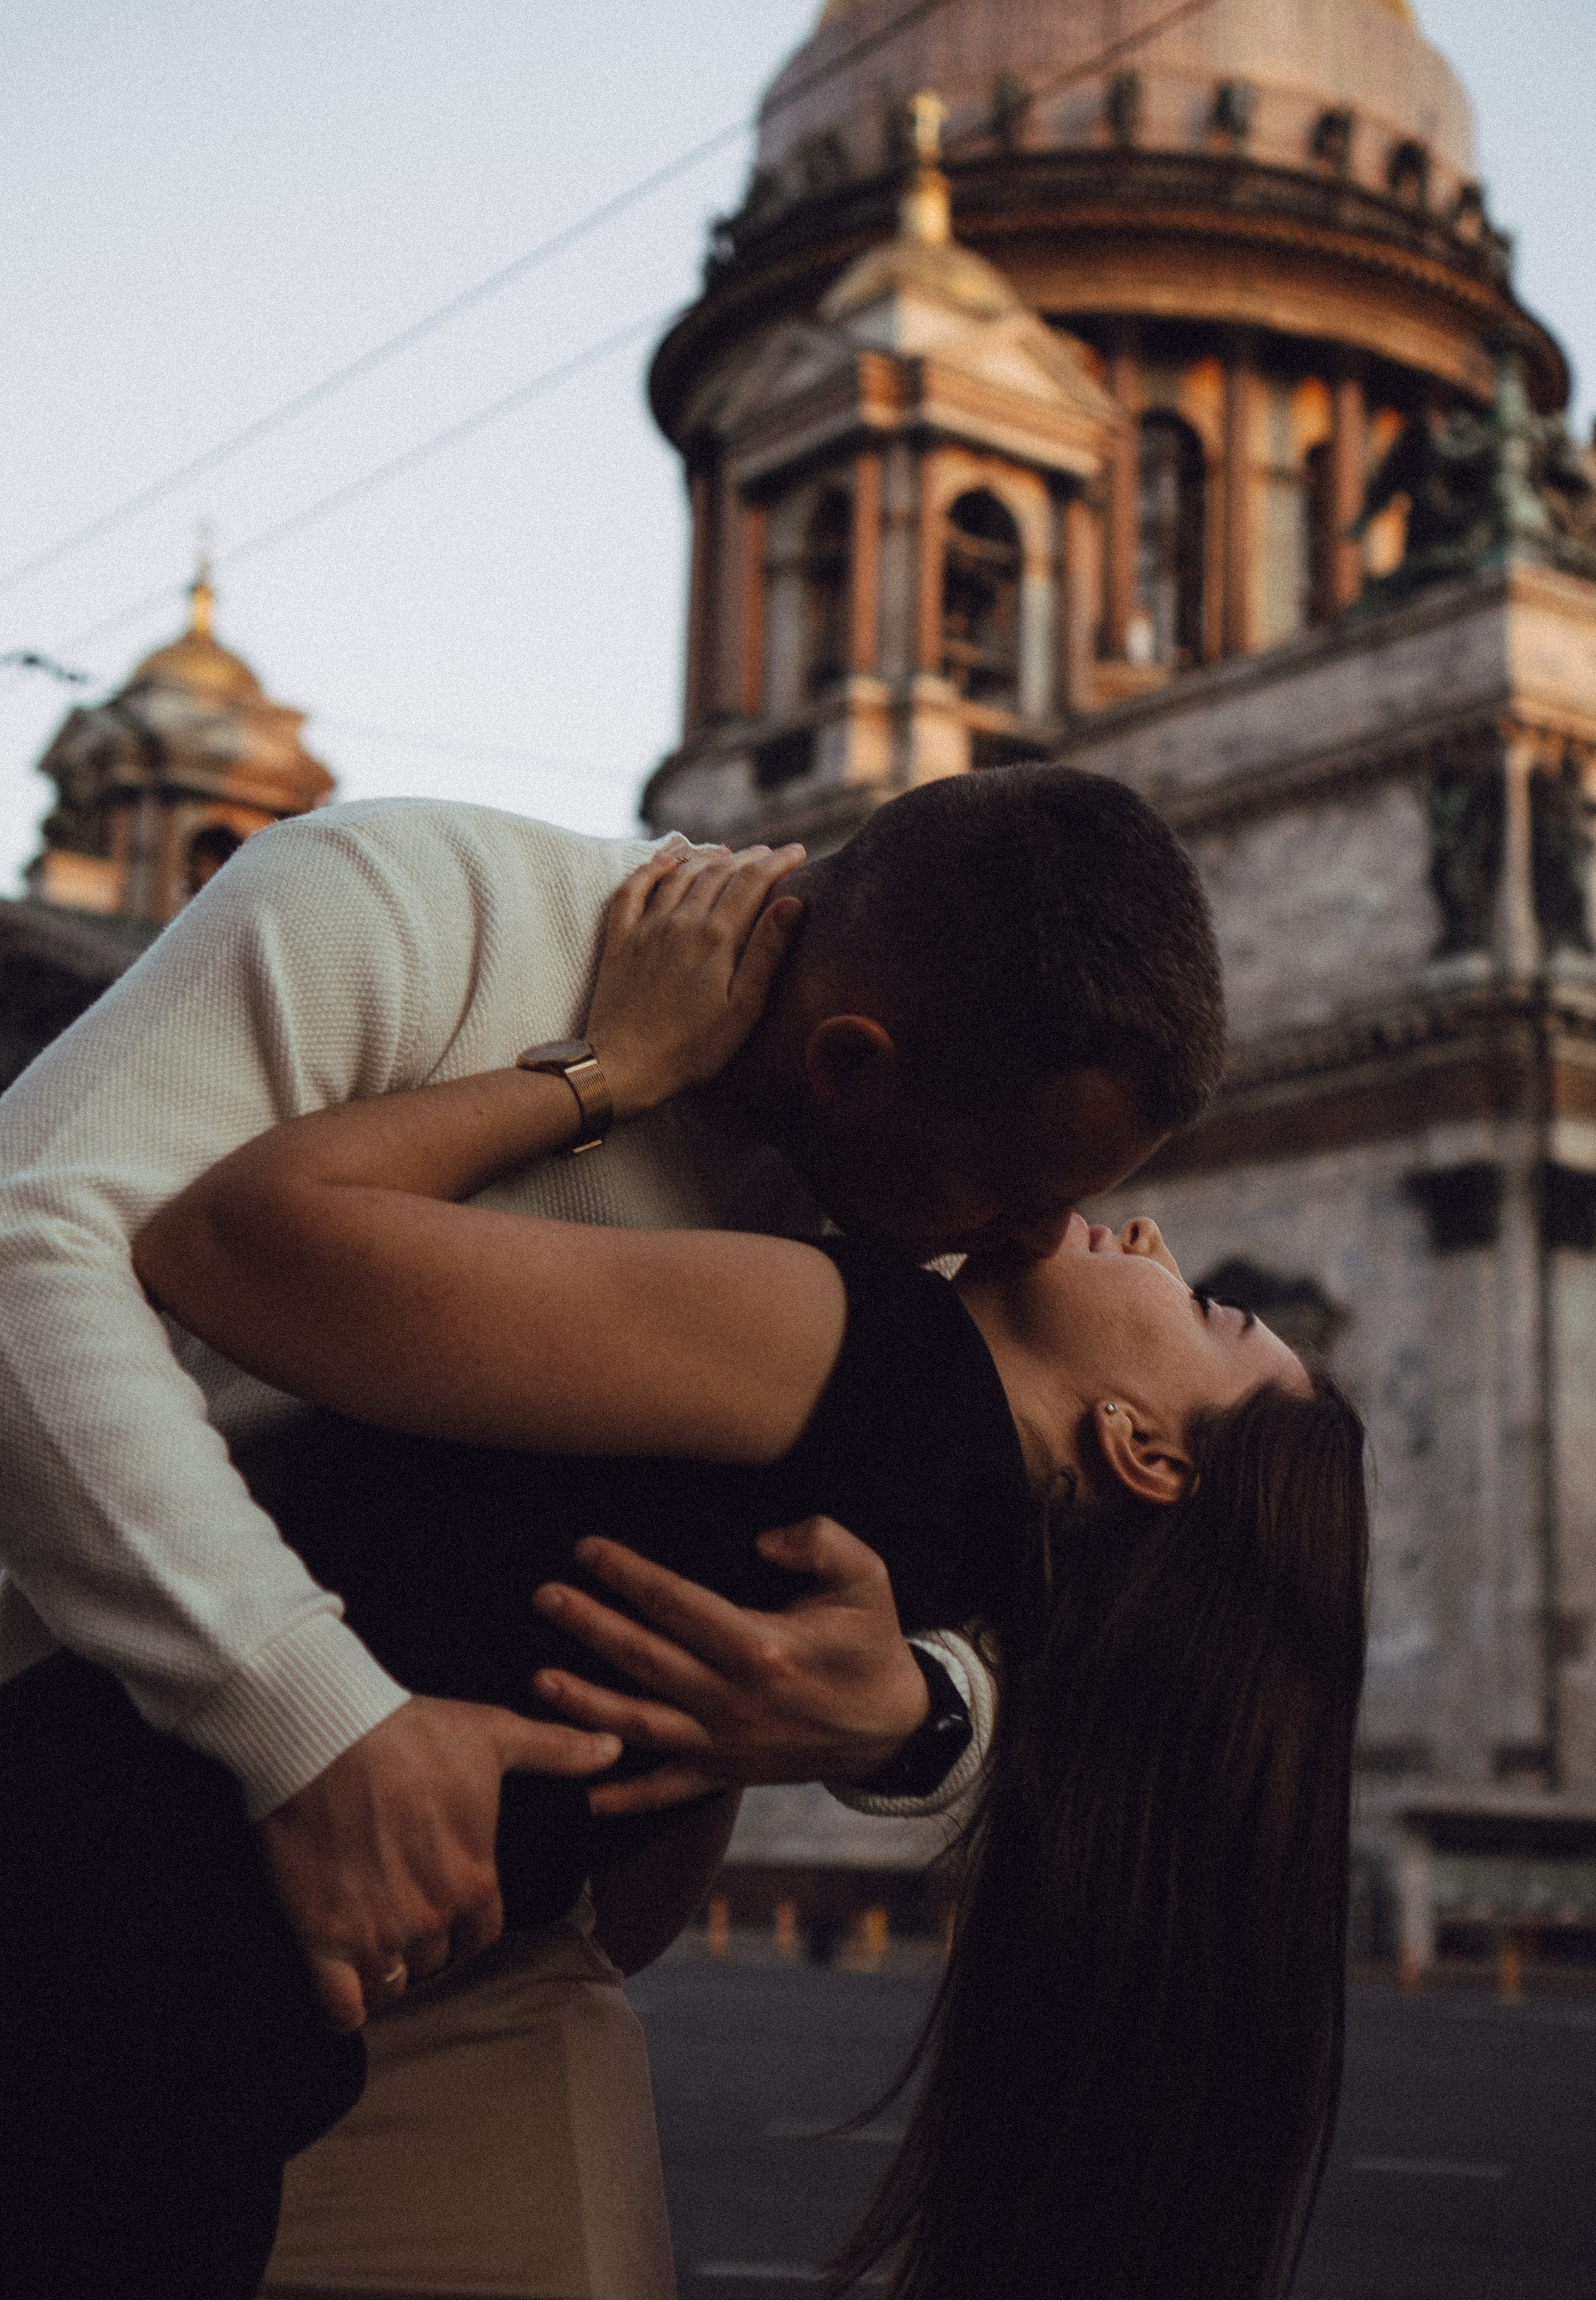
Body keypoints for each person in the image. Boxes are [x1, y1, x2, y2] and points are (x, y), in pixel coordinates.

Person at [4, 844, 1364, 2300]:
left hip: (135, 1893)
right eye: (1017, 1180)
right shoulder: (396, 903)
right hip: (213, 1856)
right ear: (853, 1066)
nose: (1090, 1229)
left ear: (1141, 1452)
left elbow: (233, 1240)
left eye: (1207, 1305)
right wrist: (322, 1722)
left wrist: (589, 1076)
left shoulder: (878, 1340)